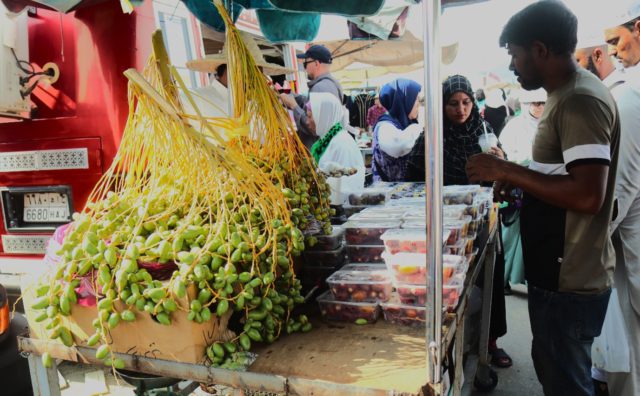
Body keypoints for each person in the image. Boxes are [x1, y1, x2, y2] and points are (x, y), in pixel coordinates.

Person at [466, 2, 620, 395]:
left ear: (539, 49)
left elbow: (588, 195)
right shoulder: (564, 95)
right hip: (557, 268)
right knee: (554, 369)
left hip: (569, 275)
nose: (514, 67)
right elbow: (564, 175)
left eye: (515, 56)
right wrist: (521, 181)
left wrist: (508, 171)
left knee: (566, 380)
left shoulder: (579, 99)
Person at [576, 33, 640, 396]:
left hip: (630, 253)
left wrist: (584, 245)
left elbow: (621, 190)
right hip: (624, 247)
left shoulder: (623, 100)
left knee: (630, 364)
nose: (617, 49)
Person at [499, 88, 546, 294]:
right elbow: (508, 156)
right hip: (516, 189)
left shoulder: (550, 124)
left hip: (540, 189)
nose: (539, 107)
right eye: (535, 103)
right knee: (510, 237)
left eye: (543, 103)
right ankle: (502, 279)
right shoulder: (515, 127)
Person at [280, 45, 344, 149]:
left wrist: (293, 106)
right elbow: (309, 105)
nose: (304, 68)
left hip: (317, 152)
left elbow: (314, 127)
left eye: (306, 63)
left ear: (316, 63)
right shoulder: (330, 84)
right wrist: (292, 96)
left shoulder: (320, 88)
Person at [307, 92, 365, 192]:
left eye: (310, 116)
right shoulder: (323, 142)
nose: (307, 122)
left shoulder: (341, 144)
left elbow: (343, 188)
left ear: (322, 116)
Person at [371, 78, 422, 182]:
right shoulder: (384, 126)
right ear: (403, 100)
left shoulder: (404, 124)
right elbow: (400, 146)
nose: (418, 104)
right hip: (387, 196)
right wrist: (419, 128)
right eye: (415, 99)